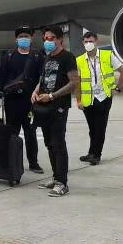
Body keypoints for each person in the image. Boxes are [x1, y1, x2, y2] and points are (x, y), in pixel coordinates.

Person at [33, 26, 79, 197]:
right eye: (46, 38)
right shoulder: (47, 57)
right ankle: (55, 176)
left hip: (58, 105)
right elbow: (43, 78)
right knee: (49, 143)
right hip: (44, 106)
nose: (48, 41)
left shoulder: (67, 57)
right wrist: (36, 91)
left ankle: (62, 183)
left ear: (60, 39)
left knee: (58, 143)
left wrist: (52, 96)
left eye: (51, 38)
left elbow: (74, 82)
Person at [0, 26, 45, 174]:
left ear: (31, 38)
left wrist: (39, 94)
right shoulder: (9, 55)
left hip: (30, 101)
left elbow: (42, 77)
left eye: (27, 36)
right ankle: (12, 161)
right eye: (21, 36)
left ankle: (33, 162)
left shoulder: (37, 56)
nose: (24, 39)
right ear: (16, 39)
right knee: (12, 133)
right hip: (12, 101)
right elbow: (2, 76)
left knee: (31, 133)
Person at [76, 32, 123, 165]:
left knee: (100, 127)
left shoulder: (107, 55)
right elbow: (78, 82)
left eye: (91, 41)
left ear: (96, 41)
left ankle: (97, 155)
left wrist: (118, 87)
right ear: (83, 43)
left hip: (103, 97)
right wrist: (78, 100)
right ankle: (91, 152)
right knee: (92, 128)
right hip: (88, 98)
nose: (88, 44)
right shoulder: (80, 60)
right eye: (86, 42)